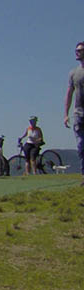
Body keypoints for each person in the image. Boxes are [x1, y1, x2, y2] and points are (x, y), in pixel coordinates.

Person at [66, 41, 84, 184]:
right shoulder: (73, 73)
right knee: (81, 145)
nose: (77, 52)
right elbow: (69, 93)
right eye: (76, 50)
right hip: (78, 113)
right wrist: (66, 114)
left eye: (80, 50)